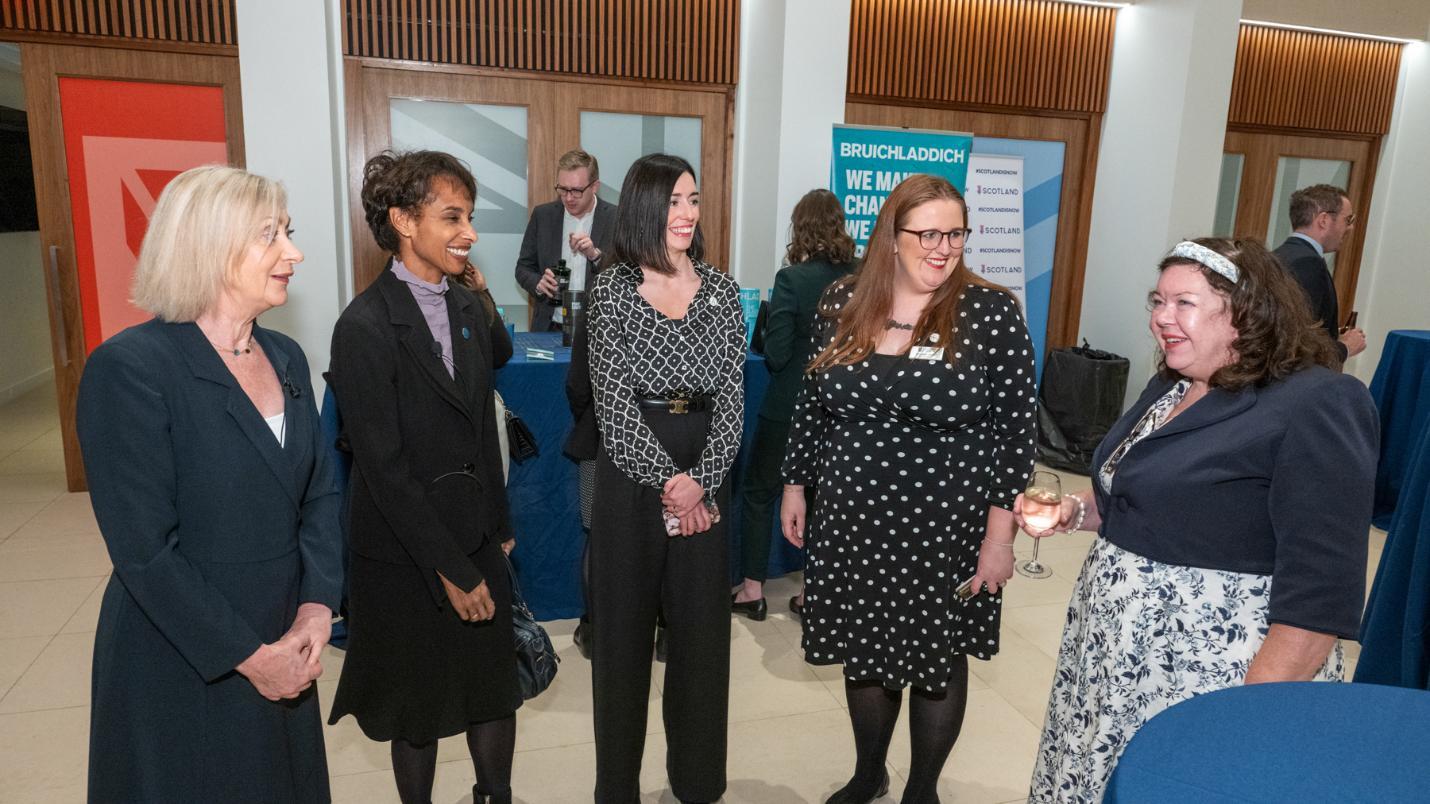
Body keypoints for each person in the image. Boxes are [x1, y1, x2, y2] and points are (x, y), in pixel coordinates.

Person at [1023, 237, 1378, 803]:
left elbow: (1319, 600)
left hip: (1209, 669)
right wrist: (1078, 510)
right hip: (1114, 655)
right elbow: (1150, 495)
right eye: (1157, 302)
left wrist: (1239, 721)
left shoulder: (1319, 403)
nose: (1162, 319)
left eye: (1183, 303)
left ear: (1246, 311)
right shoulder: (1173, 381)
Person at [76, 165, 342, 803]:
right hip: (187, 651)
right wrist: (251, 656)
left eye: (289, 231)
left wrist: (315, 605)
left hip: (284, 636)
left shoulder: (285, 356)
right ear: (209, 246)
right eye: (269, 235)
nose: (294, 252)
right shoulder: (131, 369)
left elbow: (320, 493)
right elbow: (144, 551)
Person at [781, 174, 1037, 804]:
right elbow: (811, 403)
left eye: (955, 232)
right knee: (864, 652)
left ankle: (922, 790)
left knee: (935, 662)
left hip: (946, 527)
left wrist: (998, 538)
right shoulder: (843, 300)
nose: (943, 247)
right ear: (891, 238)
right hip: (852, 520)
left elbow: (1015, 436)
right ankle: (870, 772)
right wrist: (795, 484)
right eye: (928, 233)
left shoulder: (990, 312)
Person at [327, 150, 521, 804]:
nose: (468, 231)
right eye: (452, 216)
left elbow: (482, 439)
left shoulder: (468, 311)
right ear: (404, 221)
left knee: (492, 689)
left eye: (469, 215)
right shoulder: (363, 326)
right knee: (419, 706)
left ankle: (495, 794)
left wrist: (498, 528)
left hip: (475, 537)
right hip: (405, 554)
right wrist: (451, 569)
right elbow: (382, 470)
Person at [586, 153, 746, 803]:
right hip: (632, 482)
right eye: (675, 201)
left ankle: (699, 785)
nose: (687, 214)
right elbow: (613, 408)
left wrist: (700, 482)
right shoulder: (612, 290)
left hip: (706, 475)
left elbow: (734, 399)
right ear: (646, 207)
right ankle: (617, 790)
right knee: (622, 650)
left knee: (702, 650)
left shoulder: (723, 290)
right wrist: (670, 483)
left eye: (694, 199)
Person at [732, 188, 856, 622]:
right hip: (845, 413)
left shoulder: (793, 279)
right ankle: (816, 593)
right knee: (827, 501)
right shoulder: (862, 276)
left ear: (799, 228)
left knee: (759, 493)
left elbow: (779, 353)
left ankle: (752, 589)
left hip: (789, 409)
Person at [515, 148, 617, 331]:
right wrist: (538, 284)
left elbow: (626, 276)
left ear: (595, 186)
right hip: (549, 327)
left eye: (577, 191)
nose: (569, 198)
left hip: (599, 331)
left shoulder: (616, 218)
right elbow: (523, 268)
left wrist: (595, 256)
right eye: (563, 189)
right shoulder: (543, 216)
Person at [1272, 184, 1366, 362]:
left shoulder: (1278, 254)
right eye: (1348, 219)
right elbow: (1298, 343)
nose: (1351, 228)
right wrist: (1345, 347)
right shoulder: (1307, 263)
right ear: (1323, 220)